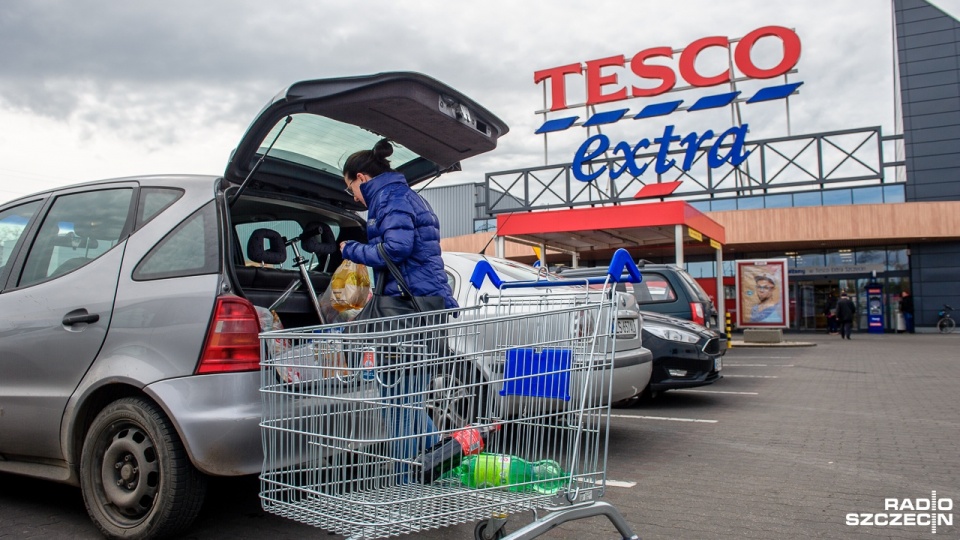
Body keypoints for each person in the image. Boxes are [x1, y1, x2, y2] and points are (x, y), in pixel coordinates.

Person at [338, 138, 457, 478]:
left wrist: (350, 249)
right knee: (405, 400)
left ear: (361, 177)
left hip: (408, 311)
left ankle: (407, 480)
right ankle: (444, 465)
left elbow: (396, 249)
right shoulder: (405, 196)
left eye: (351, 189)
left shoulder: (390, 198)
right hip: (422, 305)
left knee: (398, 404)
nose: (355, 199)